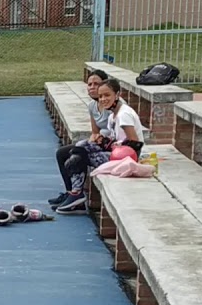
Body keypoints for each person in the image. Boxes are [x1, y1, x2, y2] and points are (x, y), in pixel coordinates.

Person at [53, 79, 145, 215]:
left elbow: (134, 143)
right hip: (116, 153)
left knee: (80, 155)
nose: (103, 99)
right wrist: (103, 141)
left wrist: (111, 145)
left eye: (107, 95)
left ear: (117, 94)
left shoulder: (124, 115)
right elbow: (115, 138)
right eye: (101, 96)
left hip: (127, 158)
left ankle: (77, 194)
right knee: (71, 150)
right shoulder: (112, 116)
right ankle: (72, 193)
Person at [48, 70, 113, 211]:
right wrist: (93, 140)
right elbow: (95, 132)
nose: (92, 87)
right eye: (89, 84)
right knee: (62, 153)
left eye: (96, 84)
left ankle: (77, 196)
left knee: (79, 152)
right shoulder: (92, 106)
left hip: (112, 147)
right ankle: (71, 194)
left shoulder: (112, 105)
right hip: (100, 144)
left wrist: (95, 142)